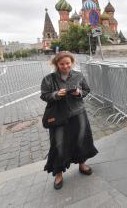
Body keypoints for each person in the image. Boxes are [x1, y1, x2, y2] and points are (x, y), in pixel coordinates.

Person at [40, 51, 98, 190]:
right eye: (62, 64)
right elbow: (44, 95)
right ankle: (58, 173)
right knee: (58, 144)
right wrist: (55, 94)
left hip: (78, 113)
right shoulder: (49, 79)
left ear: (72, 63)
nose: (65, 66)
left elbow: (86, 90)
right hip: (60, 116)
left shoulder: (78, 75)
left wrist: (79, 93)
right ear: (56, 64)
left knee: (81, 139)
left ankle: (82, 164)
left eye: (68, 63)